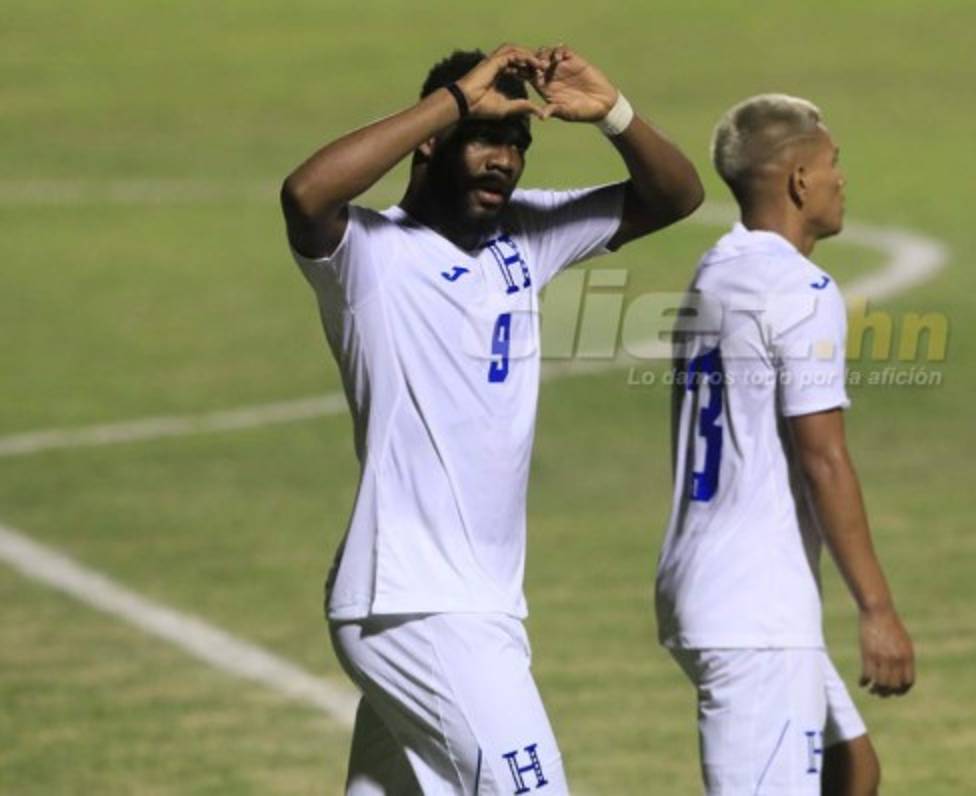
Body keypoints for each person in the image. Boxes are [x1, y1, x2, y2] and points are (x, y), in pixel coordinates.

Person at [281, 44, 703, 795]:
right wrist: (452, 102)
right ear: (431, 142)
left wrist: (613, 113)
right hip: (416, 604)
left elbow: (675, 196)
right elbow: (306, 194)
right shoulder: (369, 256)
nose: (504, 160)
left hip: (475, 603)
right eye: (485, 137)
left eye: (517, 142)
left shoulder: (523, 240)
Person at [655, 94, 915, 795]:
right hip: (755, 607)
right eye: (833, 163)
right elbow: (823, 458)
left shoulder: (717, 270)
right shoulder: (799, 289)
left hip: (706, 583)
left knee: (852, 766)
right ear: (801, 180)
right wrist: (877, 609)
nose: (841, 179)